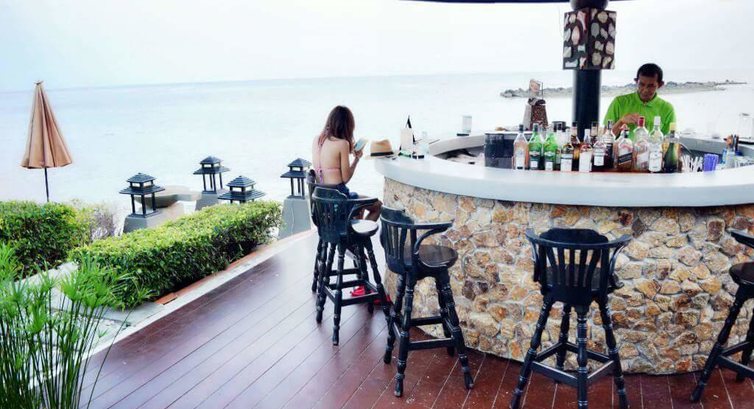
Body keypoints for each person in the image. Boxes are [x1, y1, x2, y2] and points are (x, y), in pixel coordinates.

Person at [312, 105, 381, 221]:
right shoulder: (343, 144)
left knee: (359, 206)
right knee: (378, 206)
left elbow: (329, 159)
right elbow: (345, 178)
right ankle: (357, 232)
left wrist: (348, 151)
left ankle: (353, 229)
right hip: (339, 202)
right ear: (347, 126)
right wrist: (356, 159)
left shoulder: (317, 140)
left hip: (323, 202)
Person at [604, 63, 676, 139]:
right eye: (641, 84)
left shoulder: (667, 109)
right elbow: (605, 138)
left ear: (660, 85)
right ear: (636, 81)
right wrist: (621, 121)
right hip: (622, 146)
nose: (645, 90)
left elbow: (669, 140)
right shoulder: (619, 102)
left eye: (651, 86)